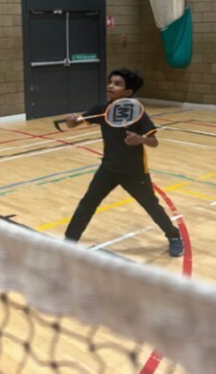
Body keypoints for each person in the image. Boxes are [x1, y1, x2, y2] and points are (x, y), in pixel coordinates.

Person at [62, 68, 184, 257]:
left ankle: (174, 236)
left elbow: (154, 142)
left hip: (134, 172)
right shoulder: (102, 109)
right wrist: (71, 120)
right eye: (110, 82)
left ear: (128, 92)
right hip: (108, 169)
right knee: (87, 204)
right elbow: (75, 123)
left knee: (151, 205)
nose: (111, 86)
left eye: (117, 84)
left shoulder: (137, 112)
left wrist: (140, 139)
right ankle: (69, 242)